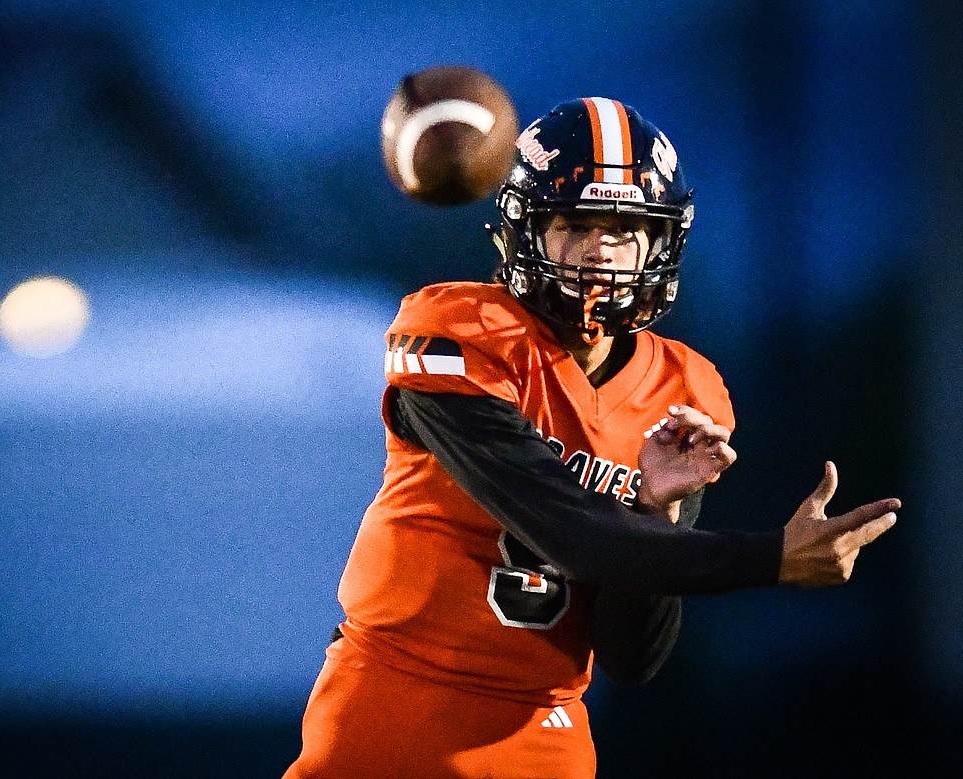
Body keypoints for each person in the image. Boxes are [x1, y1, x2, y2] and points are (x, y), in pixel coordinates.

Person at [282, 97, 899, 779]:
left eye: (625, 227)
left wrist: (656, 511)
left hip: (548, 723)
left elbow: (633, 655)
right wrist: (770, 559)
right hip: (401, 699)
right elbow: (571, 532)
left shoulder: (683, 390)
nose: (601, 249)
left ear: (659, 242)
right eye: (576, 223)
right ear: (526, 231)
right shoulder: (459, 334)